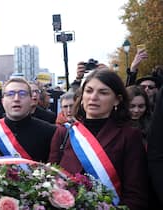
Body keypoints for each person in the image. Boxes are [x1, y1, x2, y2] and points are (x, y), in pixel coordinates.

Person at [49, 70, 148, 209]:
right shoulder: (64, 132)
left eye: (103, 92)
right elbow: (50, 180)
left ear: (117, 100)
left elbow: (136, 193)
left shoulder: (129, 135)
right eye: (89, 91)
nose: (93, 97)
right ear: (82, 96)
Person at [0, 78, 57, 163]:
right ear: (2, 101)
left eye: (22, 94)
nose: (16, 99)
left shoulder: (50, 132)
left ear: (31, 100)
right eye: (10, 94)